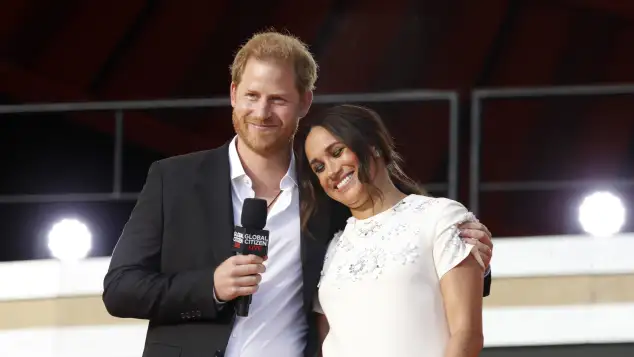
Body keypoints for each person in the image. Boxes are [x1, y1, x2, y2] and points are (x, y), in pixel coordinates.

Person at [102, 31, 494, 357]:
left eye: (278, 99)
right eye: (252, 95)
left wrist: (469, 255)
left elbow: (392, 244)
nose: (261, 112)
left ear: (304, 102)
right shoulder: (174, 179)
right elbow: (120, 290)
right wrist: (210, 287)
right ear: (234, 93)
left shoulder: (326, 191)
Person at [296, 104, 485, 357]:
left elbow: (467, 335)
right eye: (319, 167)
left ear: (373, 145)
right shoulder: (331, 249)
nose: (331, 171)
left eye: (337, 152)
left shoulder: (440, 217)